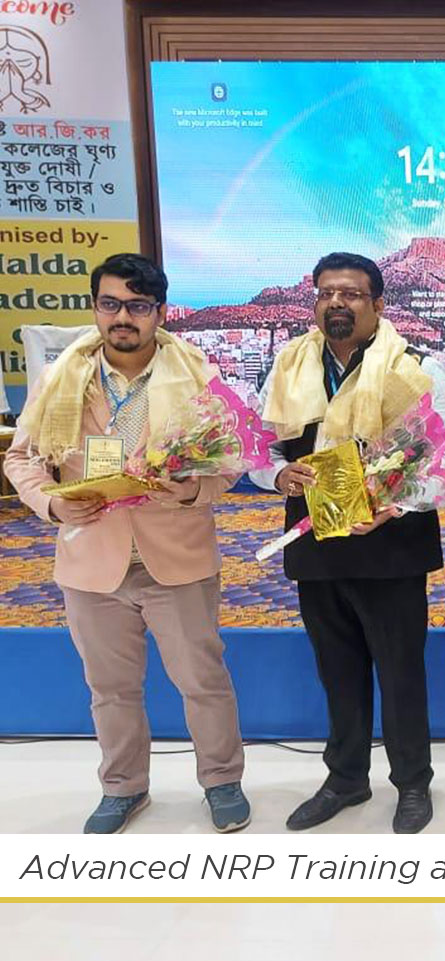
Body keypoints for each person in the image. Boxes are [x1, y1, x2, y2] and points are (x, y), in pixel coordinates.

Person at [5, 253, 248, 834]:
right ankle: (122, 787)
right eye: (110, 304)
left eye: (137, 306)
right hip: (91, 560)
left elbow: (232, 460)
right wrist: (52, 504)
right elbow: (21, 459)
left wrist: (194, 490)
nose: (122, 317)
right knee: (110, 688)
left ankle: (222, 780)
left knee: (203, 680)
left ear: (159, 312)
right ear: (95, 308)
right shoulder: (62, 380)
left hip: (177, 558)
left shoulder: (198, 378)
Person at [253, 252, 445, 835]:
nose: (336, 304)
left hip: (391, 546)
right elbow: (260, 446)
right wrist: (278, 475)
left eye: (350, 294)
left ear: (377, 304)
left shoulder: (415, 368)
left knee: (400, 673)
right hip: (317, 544)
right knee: (337, 672)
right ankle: (346, 779)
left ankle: (413, 782)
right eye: (326, 293)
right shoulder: (288, 367)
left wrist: (396, 504)